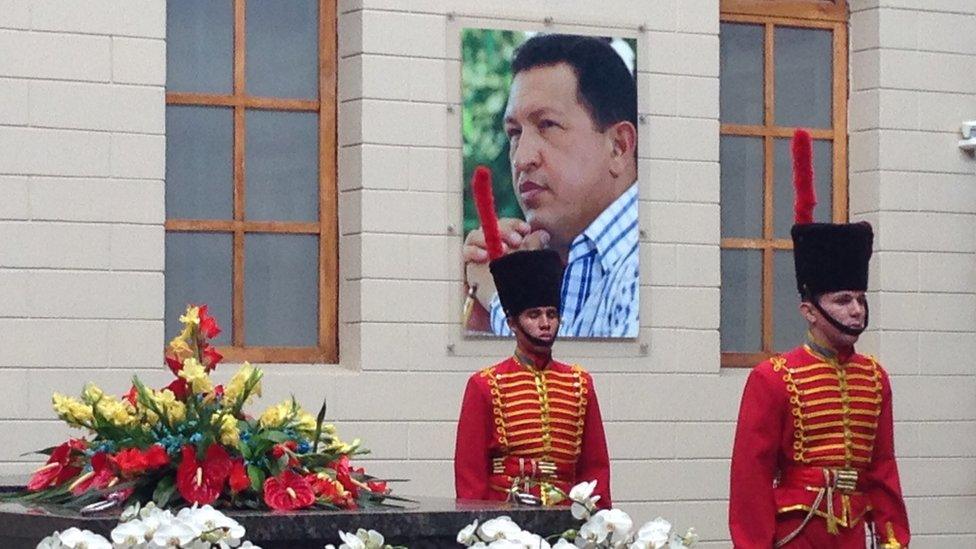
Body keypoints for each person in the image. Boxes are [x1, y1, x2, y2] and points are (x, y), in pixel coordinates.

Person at [728, 131, 910, 548]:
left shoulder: (874, 378)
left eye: (860, 299)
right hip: (797, 531)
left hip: (854, 530)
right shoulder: (773, 378)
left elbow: (882, 468)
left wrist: (892, 537)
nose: (856, 310)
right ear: (810, 311)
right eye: (843, 300)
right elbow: (750, 477)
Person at [464, 33, 639, 338]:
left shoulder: (644, 270)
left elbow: (572, 381)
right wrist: (473, 321)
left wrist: (502, 302)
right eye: (514, 132)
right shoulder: (556, 261)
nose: (521, 158)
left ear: (619, 147)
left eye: (547, 125)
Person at [455, 248, 611, 507]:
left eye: (551, 314)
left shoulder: (580, 383)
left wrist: (600, 520)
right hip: (504, 515)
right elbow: (470, 473)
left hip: (565, 515)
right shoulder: (485, 384)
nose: (545, 323)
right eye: (534, 315)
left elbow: (595, 467)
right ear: (512, 323)